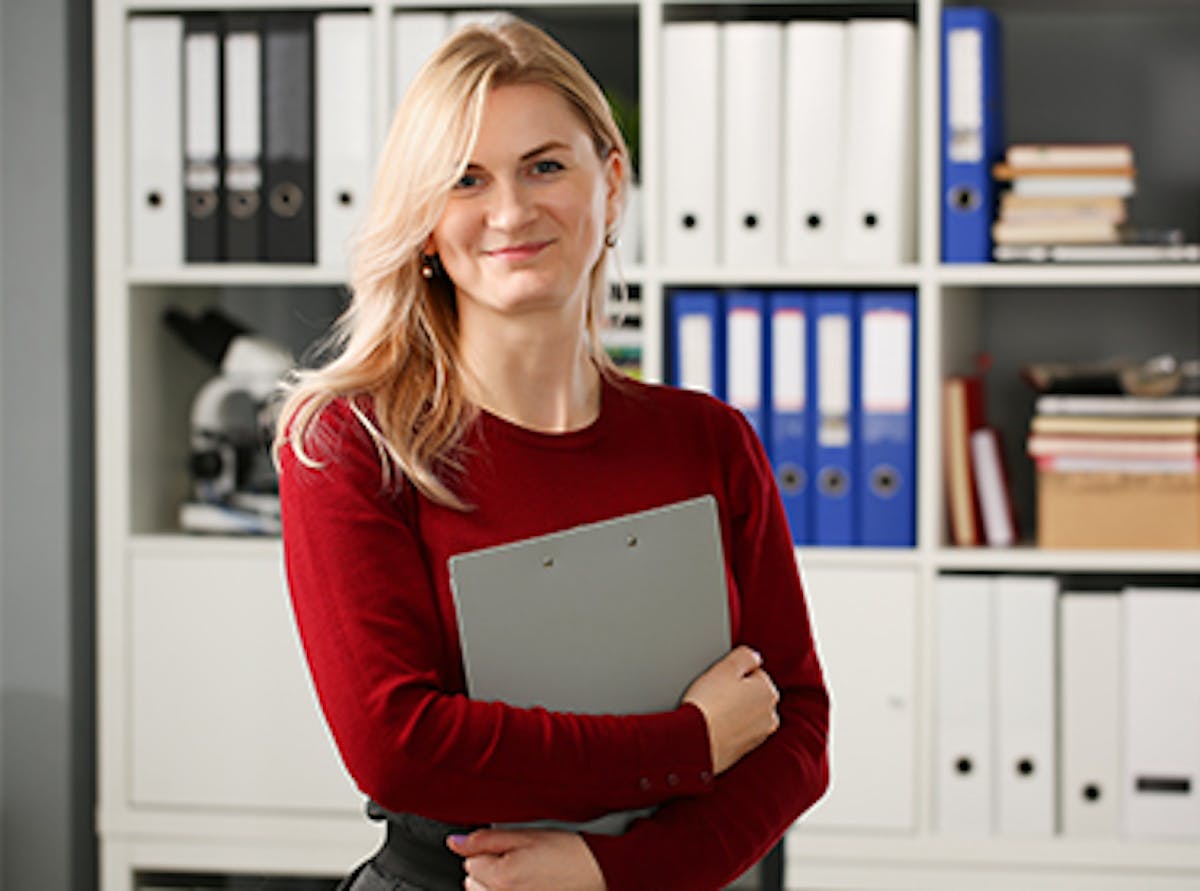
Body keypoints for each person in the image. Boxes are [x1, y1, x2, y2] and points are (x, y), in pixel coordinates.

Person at [275, 15, 829, 891]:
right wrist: (689, 743)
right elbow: (398, 747)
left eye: (545, 166)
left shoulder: (709, 440)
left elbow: (796, 730)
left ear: (611, 183)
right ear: (424, 221)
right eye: (465, 179)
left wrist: (613, 872)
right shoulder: (349, 444)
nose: (510, 211)